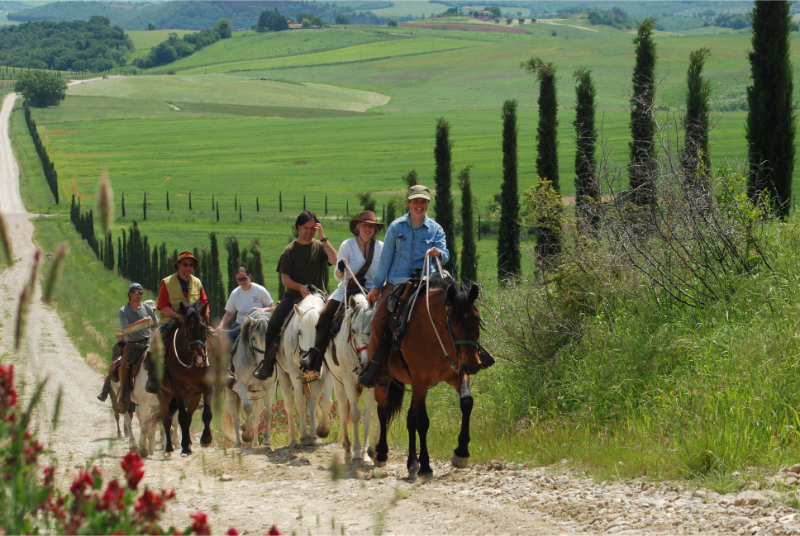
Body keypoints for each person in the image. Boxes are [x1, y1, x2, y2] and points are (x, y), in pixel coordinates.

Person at [358, 185, 449, 387]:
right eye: (415, 201)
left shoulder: (436, 229)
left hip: (426, 282)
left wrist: (439, 254)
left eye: (423, 201)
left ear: (428, 204)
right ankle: (375, 367)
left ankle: (457, 360)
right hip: (397, 282)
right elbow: (386, 259)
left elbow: (446, 253)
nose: (419, 204)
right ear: (409, 202)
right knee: (376, 322)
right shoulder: (396, 227)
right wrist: (377, 287)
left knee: (451, 313)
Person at [253, 210, 337, 380]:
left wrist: (323, 237)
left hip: (319, 296)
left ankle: (339, 362)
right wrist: (299, 287)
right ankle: (267, 365)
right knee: (274, 323)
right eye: (306, 228)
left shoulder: (320, 246)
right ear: (298, 227)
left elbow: (335, 260)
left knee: (340, 322)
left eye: (313, 228)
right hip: (294, 297)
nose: (309, 232)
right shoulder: (289, 250)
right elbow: (285, 279)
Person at [300, 210, 385, 373]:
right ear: (358, 227)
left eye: (371, 226)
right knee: (325, 314)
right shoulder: (347, 245)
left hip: (373, 292)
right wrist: (339, 269)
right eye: (365, 225)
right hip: (347, 290)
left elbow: (384, 273)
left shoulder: (381, 247)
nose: (368, 228)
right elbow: (338, 277)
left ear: (375, 229)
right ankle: (316, 357)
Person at [114, 283, 159, 413]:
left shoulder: (147, 308)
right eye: (136, 292)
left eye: (140, 293)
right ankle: (123, 397)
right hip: (132, 343)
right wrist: (141, 323)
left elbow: (156, 325)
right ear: (129, 294)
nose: (138, 295)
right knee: (124, 366)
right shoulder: (123, 311)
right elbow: (126, 329)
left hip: (148, 341)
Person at [216, 266, 275, 343]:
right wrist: (221, 326)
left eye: (244, 278)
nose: (242, 282)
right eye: (239, 280)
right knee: (224, 342)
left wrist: (263, 309)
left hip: (259, 323)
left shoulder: (260, 290)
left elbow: (272, 307)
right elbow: (229, 313)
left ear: (249, 276)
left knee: (272, 341)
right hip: (241, 324)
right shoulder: (235, 294)